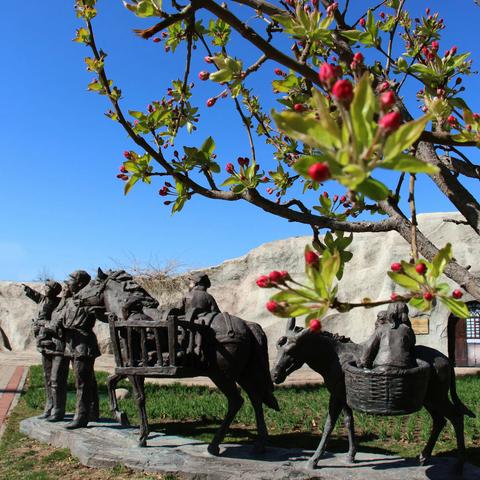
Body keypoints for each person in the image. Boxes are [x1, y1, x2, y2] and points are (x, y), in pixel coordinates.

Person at [52, 270, 102, 429]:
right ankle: (92, 411)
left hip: (83, 345)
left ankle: (81, 417)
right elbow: (62, 320)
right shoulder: (70, 300)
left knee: (82, 382)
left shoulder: (88, 300)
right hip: (72, 344)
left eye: (71, 279)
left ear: (80, 283)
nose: (67, 282)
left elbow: (99, 314)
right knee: (86, 380)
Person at [23, 280, 69, 421]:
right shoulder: (43, 299)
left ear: (55, 291)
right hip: (45, 344)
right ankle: (49, 406)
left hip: (58, 344)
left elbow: (59, 323)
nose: (46, 289)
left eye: (49, 287)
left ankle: (58, 410)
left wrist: (41, 324)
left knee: (57, 379)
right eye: (46, 287)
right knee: (47, 378)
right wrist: (28, 290)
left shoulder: (61, 303)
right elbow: (37, 296)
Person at [358, 302, 416, 371]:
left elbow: (369, 346)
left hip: (381, 366)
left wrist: (363, 362)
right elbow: (412, 346)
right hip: (403, 367)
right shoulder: (408, 330)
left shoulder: (381, 328)